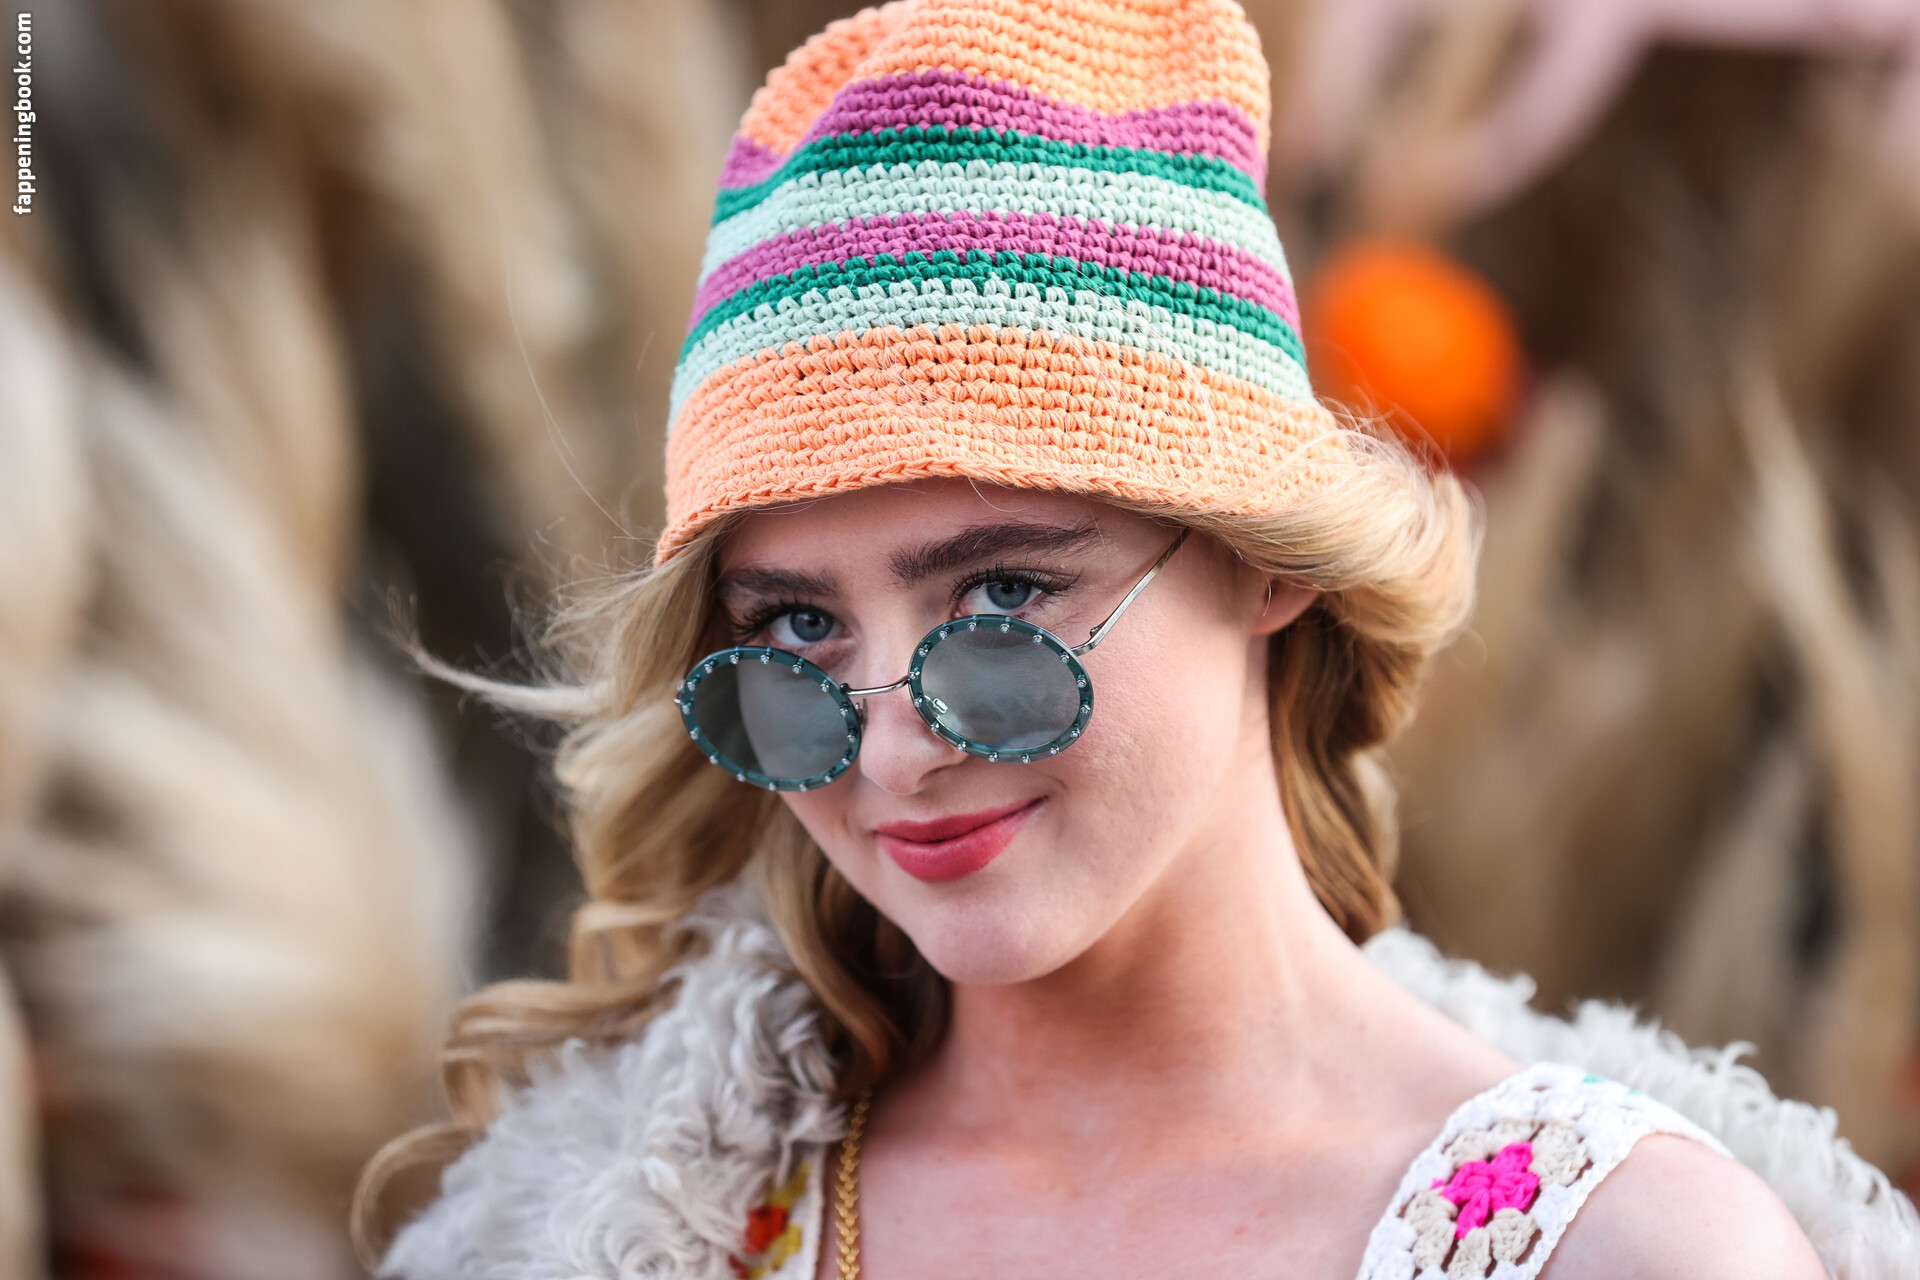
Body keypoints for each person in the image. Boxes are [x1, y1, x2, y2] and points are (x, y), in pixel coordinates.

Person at [357, 2, 1913, 1276]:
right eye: (799, 630)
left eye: (1002, 601)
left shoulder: (1618, 1249)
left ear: (1265, 564)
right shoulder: (623, 1224)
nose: (892, 747)